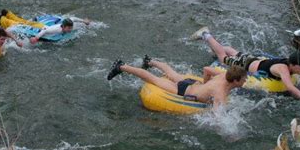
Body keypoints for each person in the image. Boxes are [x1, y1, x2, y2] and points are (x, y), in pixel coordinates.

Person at [190, 27, 300, 107]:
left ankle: (216, 43)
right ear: (291, 65)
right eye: (297, 68)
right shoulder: (283, 69)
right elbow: (290, 87)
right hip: (247, 64)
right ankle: (205, 34)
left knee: (233, 53)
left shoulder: (295, 66)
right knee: (223, 57)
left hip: (254, 60)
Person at [106, 56, 247, 109]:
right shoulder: (220, 93)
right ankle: (121, 66)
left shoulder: (223, 75)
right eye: (244, 78)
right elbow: (218, 118)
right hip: (183, 91)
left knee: (170, 72)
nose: (246, 80)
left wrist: (205, 84)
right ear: (235, 80)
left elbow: (206, 69)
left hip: (191, 84)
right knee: (152, 79)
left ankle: (150, 61)